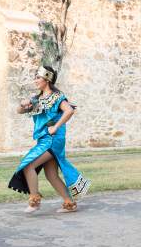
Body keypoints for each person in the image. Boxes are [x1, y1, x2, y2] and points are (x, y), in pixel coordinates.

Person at [8, 64, 91, 213]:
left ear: (47, 79)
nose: (35, 80)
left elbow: (69, 111)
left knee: (28, 165)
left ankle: (34, 200)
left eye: (38, 77)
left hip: (52, 140)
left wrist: (56, 126)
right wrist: (23, 104)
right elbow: (19, 111)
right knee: (51, 174)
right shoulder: (36, 100)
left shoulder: (57, 97)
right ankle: (69, 203)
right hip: (44, 140)